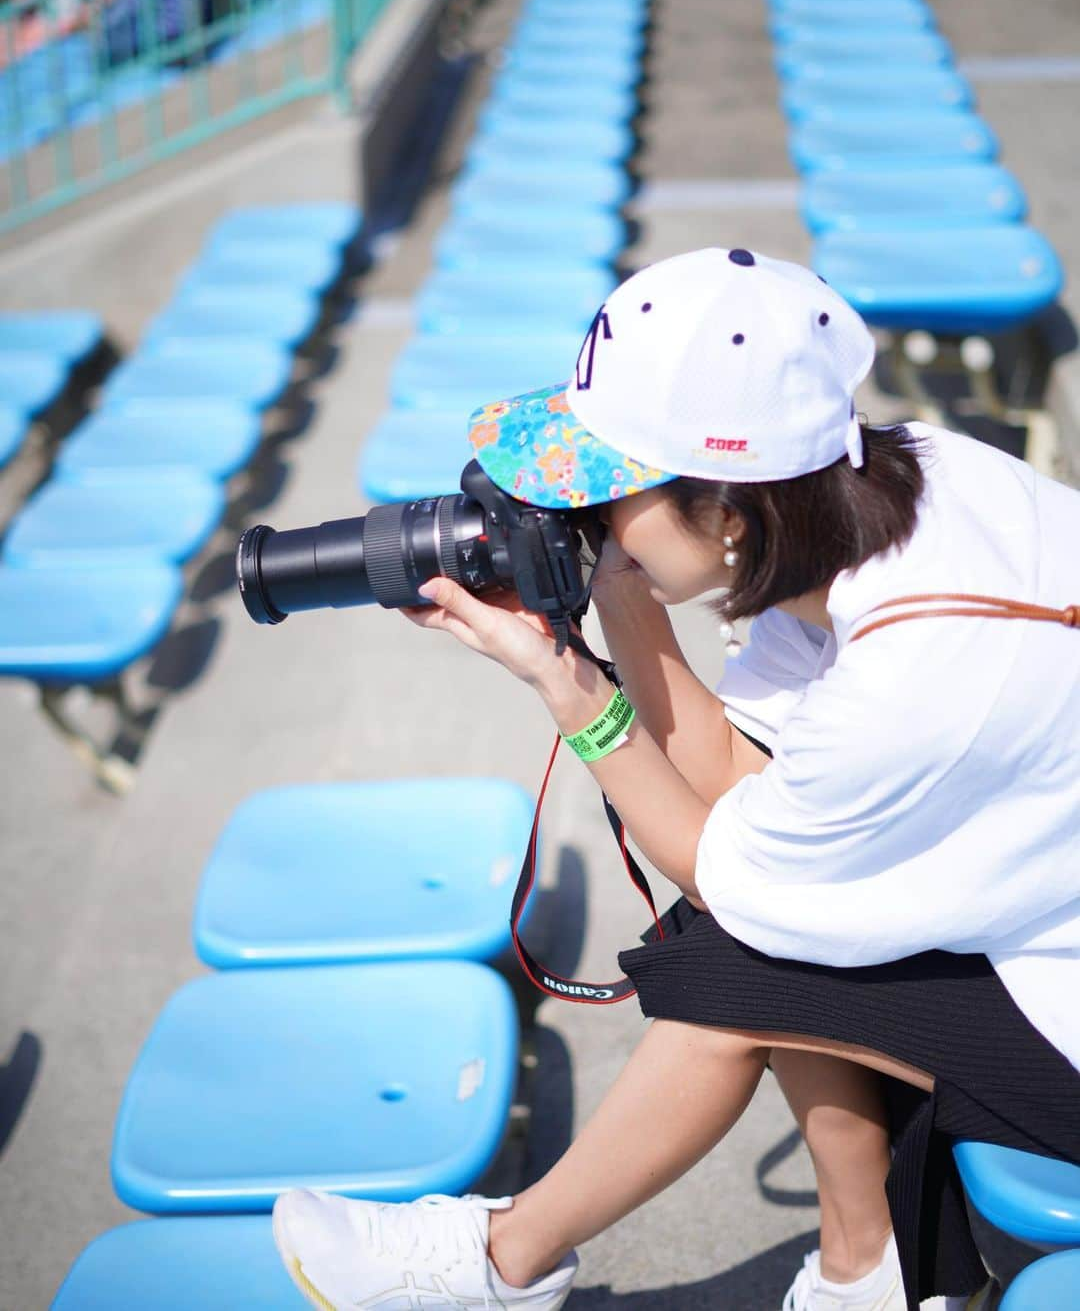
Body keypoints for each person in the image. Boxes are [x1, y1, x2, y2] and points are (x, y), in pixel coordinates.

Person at [271, 249, 1080, 1311]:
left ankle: (499, 1266)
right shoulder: (899, 487)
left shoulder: (914, 680)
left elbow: (722, 864)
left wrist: (568, 688)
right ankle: (864, 1259)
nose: (583, 514)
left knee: (728, 971)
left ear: (733, 507)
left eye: (608, 491)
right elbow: (737, 784)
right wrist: (620, 592)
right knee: (749, 924)